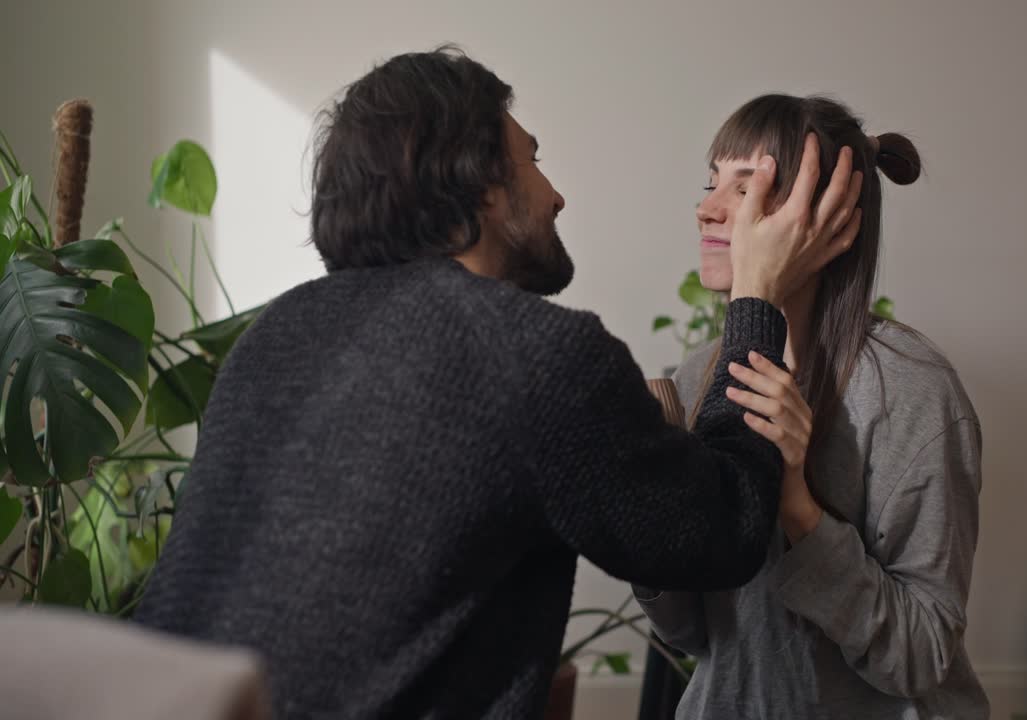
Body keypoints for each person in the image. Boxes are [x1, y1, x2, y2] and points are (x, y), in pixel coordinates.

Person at [133, 49, 862, 719]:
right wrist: (758, 296)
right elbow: (725, 531)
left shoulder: (278, 332)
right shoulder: (539, 356)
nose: (555, 197)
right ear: (484, 185)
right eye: (533, 161)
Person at [635, 94, 988, 718]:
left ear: (828, 217)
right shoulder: (697, 377)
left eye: (745, 191)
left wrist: (799, 506)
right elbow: (692, 635)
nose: (706, 209)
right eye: (711, 184)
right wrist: (655, 523)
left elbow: (922, 654)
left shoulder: (909, 391)